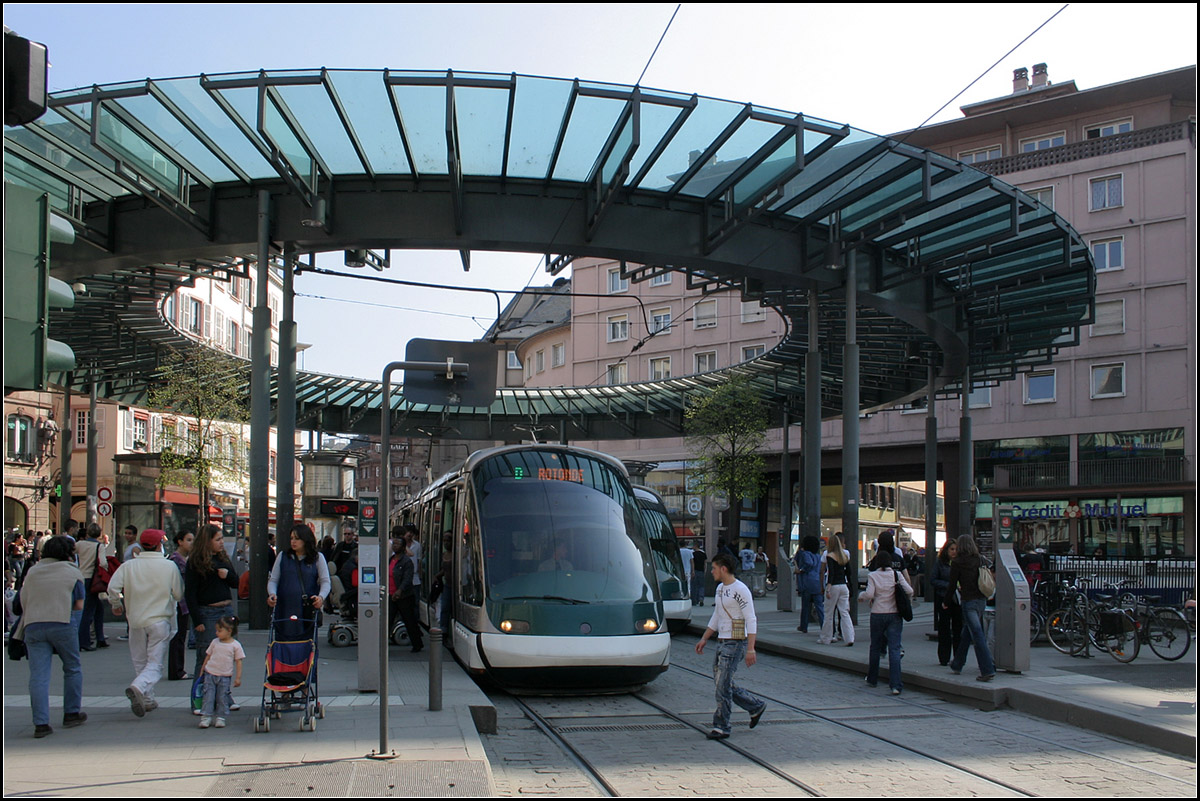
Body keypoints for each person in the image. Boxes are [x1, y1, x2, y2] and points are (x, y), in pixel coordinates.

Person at [15, 535, 87, 738]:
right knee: (72, 667)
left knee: (38, 675)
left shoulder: (32, 571)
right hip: (63, 622)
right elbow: (79, 605)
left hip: (33, 625)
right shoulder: (72, 572)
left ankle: (41, 723)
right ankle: (71, 713)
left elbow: (23, 601)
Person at [107, 528, 184, 718]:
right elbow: (179, 594)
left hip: (135, 620)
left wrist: (116, 603)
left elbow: (112, 587)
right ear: (159, 545)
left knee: (140, 661)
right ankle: (139, 688)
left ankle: (147, 698)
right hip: (159, 620)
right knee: (155, 663)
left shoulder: (129, 566)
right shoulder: (169, 566)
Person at [694, 553, 766, 740]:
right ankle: (755, 706)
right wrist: (705, 638)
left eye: (714, 568)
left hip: (735, 642)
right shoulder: (719, 590)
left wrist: (751, 648)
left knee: (722, 685)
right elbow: (717, 616)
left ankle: (721, 725)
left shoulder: (740, 589)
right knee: (722, 683)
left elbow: (751, 618)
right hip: (722, 640)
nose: (712, 571)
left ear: (723, 569)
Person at [185, 524, 240, 681]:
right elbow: (190, 593)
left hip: (226, 610)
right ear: (207, 541)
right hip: (207, 612)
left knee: (227, 653)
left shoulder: (223, 558)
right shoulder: (195, 562)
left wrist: (227, 575)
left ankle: (223, 695)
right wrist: (197, 620)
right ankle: (200, 697)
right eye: (217, 539)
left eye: (222, 539)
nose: (221, 542)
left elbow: (236, 582)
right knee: (205, 655)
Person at [859, 549, 912, 695]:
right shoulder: (896, 574)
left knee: (875, 647)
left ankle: (872, 678)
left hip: (877, 613)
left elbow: (869, 594)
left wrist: (862, 596)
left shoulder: (873, 575)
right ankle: (895, 685)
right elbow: (909, 590)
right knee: (894, 649)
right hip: (894, 614)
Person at [945, 534, 995, 682]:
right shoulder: (979, 559)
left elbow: (952, 584)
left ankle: (987, 669)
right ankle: (957, 664)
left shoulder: (957, 562)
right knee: (968, 631)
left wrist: (946, 601)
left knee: (977, 635)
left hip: (969, 601)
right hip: (981, 600)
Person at [267, 523, 330, 639]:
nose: (293, 542)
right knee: (283, 643)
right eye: (291, 538)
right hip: (284, 608)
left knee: (306, 644)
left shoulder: (317, 557)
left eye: (297, 538)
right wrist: (272, 594)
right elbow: (273, 580)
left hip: (306, 609)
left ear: (306, 539)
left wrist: (321, 597)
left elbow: (325, 581)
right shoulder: (283, 556)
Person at [197, 615, 244, 729]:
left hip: (225, 676)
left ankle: (221, 717)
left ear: (229, 631)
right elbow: (208, 656)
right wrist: (203, 668)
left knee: (222, 697)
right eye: (217, 630)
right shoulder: (215, 642)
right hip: (210, 673)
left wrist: (238, 677)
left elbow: (239, 662)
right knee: (208, 695)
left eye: (219, 630)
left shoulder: (235, 645)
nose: (217, 633)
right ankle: (206, 716)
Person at [74, 523, 108, 651]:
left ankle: (100, 638)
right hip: (92, 579)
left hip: (81, 576)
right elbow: (103, 562)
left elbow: (71, 552)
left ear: (87, 533)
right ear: (99, 534)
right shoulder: (99, 546)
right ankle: (84, 641)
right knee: (88, 610)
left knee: (97, 608)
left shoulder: (80, 544)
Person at [816, 533, 854, 646]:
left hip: (834, 586)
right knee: (844, 612)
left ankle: (826, 638)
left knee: (828, 613)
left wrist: (827, 588)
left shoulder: (829, 555)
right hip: (844, 585)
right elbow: (849, 572)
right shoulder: (845, 555)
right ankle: (849, 637)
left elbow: (831, 573)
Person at [390, 529, 423, 653]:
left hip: (403, 596)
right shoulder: (391, 559)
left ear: (403, 547)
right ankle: (381, 644)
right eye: (394, 544)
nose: (395, 546)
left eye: (398, 544)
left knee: (409, 620)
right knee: (388, 620)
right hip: (391, 594)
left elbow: (407, 579)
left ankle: (417, 644)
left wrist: (399, 591)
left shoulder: (406, 562)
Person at [167, 530, 194, 680]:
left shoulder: (186, 559)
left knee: (181, 636)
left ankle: (178, 668)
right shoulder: (175, 560)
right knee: (177, 636)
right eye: (188, 540)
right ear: (180, 542)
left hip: (184, 602)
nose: (192, 543)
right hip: (178, 602)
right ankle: (176, 670)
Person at [931, 538, 962, 667]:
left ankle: (958, 657)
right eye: (951, 549)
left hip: (958, 598)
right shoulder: (940, 563)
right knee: (944, 628)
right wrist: (949, 585)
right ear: (946, 550)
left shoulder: (960, 563)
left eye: (956, 549)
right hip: (943, 597)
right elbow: (933, 580)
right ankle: (944, 657)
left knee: (958, 628)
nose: (954, 552)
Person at [793, 535, 824, 633]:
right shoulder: (818, 556)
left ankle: (803, 626)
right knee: (819, 606)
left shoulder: (805, 554)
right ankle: (824, 626)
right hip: (817, 582)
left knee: (805, 606)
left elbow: (808, 563)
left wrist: (800, 570)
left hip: (808, 582)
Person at [690, 541, 707, 606]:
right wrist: (705, 571)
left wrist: (692, 571)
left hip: (695, 571)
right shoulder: (703, 554)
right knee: (701, 586)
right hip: (701, 571)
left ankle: (694, 600)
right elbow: (705, 563)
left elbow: (692, 563)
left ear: (695, 546)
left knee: (694, 586)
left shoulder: (693, 554)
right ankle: (701, 598)